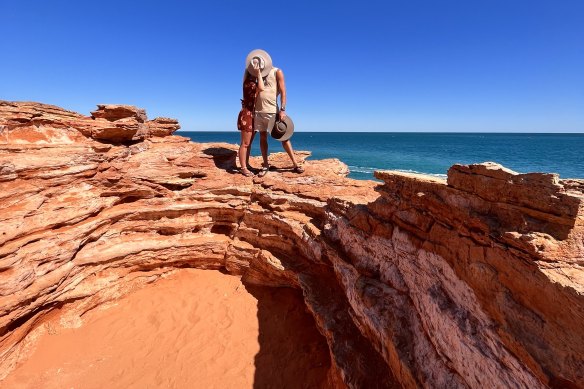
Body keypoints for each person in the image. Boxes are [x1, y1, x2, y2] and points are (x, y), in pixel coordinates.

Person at [248, 50, 304, 177]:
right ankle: (265, 164)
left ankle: (295, 164)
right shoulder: (256, 74)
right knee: (262, 137)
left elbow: (283, 91)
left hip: (272, 110)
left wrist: (283, 109)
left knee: (284, 138)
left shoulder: (277, 71)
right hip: (258, 111)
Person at [236, 61, 264, 177]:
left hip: (252, 115)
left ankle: (246, 164)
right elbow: (261, 88)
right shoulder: (249, 83)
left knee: (249, 143)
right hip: (247, 114)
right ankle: (243, 168)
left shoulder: (252, 82)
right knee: (245, 143)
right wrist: (258, 73)